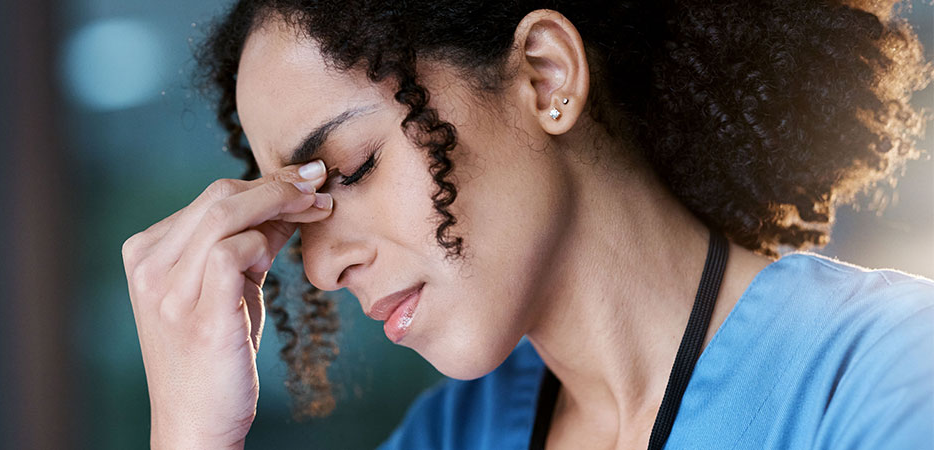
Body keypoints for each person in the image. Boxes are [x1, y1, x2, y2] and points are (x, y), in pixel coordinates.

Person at [121, 0, 934, 448]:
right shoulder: (449, 438)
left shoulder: (888, 379)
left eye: (354, 167)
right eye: (300, 212)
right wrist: (192, 435)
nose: (322, 267)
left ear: (546, 75)